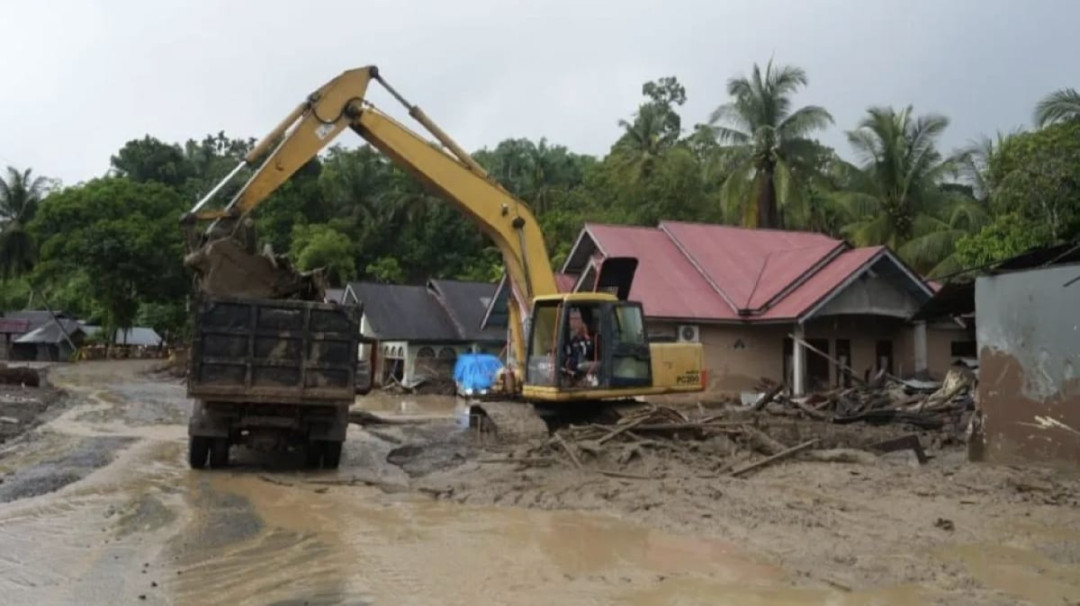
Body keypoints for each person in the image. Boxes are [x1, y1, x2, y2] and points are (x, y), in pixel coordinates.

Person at [563, 307, 599, 386]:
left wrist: (586, 335)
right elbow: (569, 352)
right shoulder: (574, 340)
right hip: (573, 366)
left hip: (583, 364)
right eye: (572, 320)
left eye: (576, 320)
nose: (574, 323)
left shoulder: (590, 339)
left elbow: (589, 351)